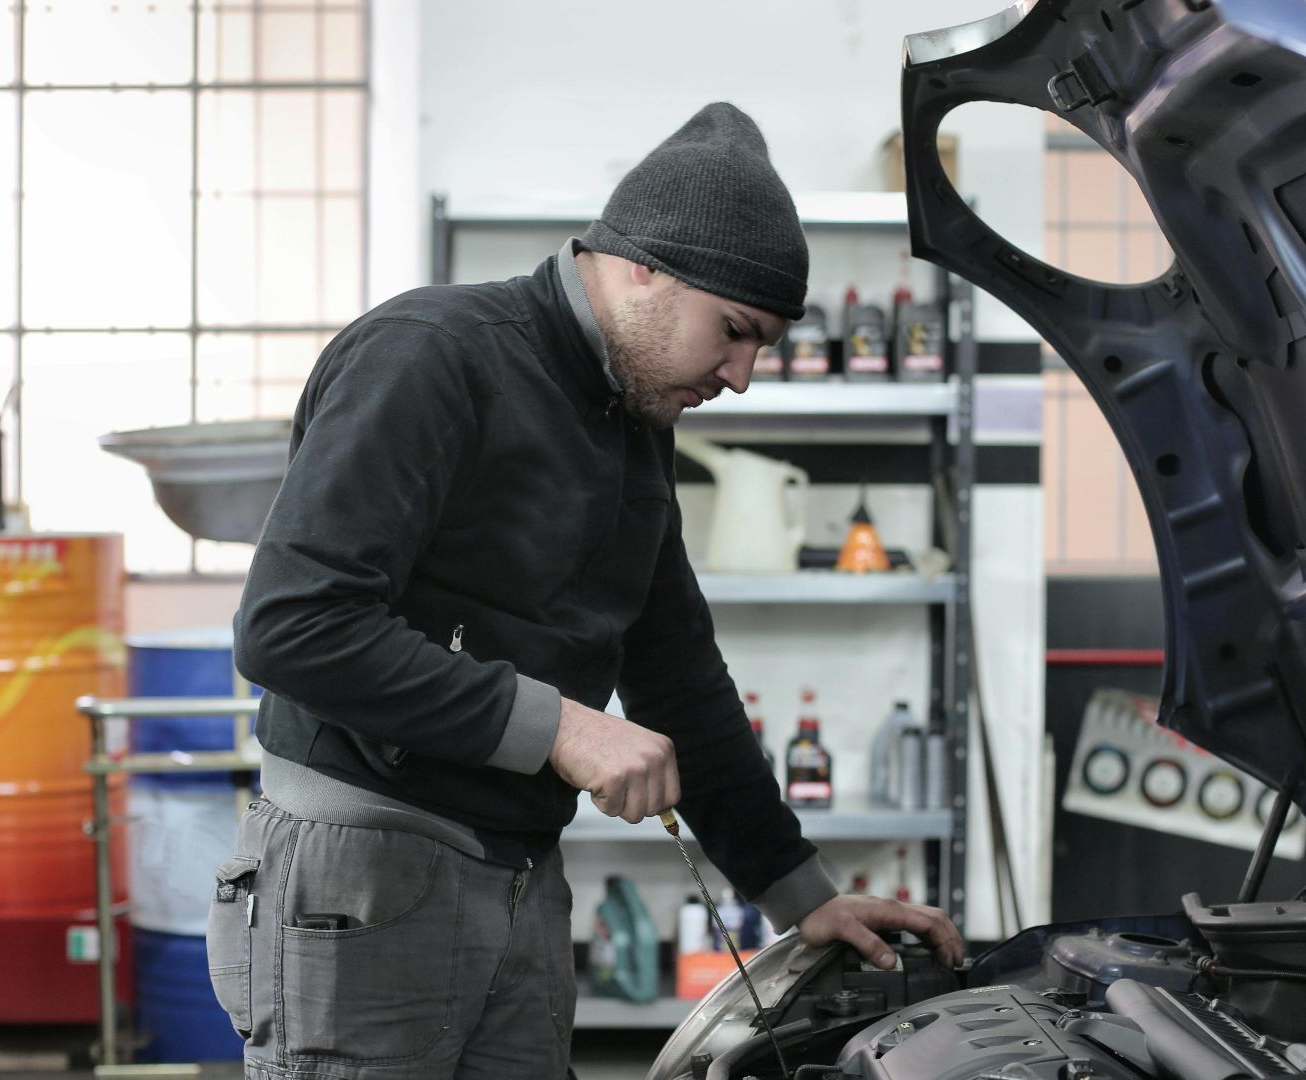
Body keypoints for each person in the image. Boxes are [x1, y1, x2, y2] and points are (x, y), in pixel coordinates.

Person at [213, 101, 965, 1079]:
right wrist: (563, 727)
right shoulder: (431, 354)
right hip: (363, 881)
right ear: (644, 266)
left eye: (765, 346)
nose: (742, 376)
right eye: (734, 332)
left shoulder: (632, 421)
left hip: (522, 873)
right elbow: (291, 627)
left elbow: (677, 672)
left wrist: (801, 895)